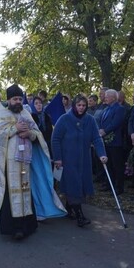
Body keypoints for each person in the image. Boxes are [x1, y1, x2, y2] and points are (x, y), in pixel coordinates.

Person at [0, 84, 65, 240]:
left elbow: (38, 135)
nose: (17, 102)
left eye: (19, 99)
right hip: (9, 164)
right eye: (14, 99)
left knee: (26, 191)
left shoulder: (26, 113)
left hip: (26, 162)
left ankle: (27, 226)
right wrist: (14, 128)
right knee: (11, 194)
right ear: (8, 99)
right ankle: (14, 228)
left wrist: (30, 133)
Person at [52, 95, 108, 226]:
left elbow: (96, 138)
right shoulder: (64, 119)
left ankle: (70, 208)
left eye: (84, 105)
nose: (81, 108)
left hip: (84, 159)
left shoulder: (90, 120)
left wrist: (102, 154)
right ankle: (80, 216)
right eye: (79, 105)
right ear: (74, 105)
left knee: (81, 185)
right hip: (68, 158)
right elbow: (56, 139)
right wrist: (58, 158)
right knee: (73, 184)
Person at [98, 89, 125, 195]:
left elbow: (116, 122)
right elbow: (102, 121)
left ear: (114, 97)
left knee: (117, 165)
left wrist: (105, 131)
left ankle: (119, 187)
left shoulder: (119, 108)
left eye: (107, 96)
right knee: (108, 164)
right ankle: (109, 184)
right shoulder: (106, 109)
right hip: (106, 141)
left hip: (115, 141)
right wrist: (100, 130)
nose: (105, 98)